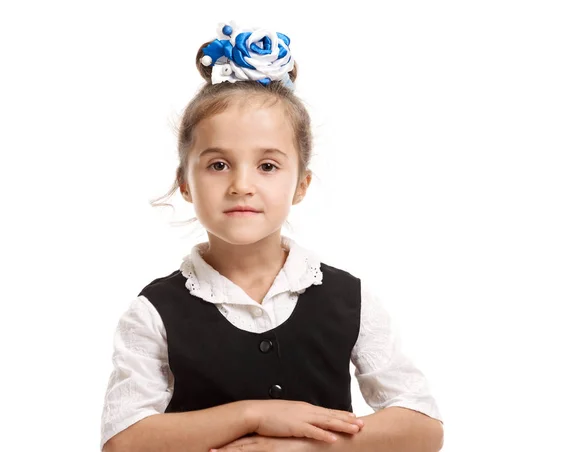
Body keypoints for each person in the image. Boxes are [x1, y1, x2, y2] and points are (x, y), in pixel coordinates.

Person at [100, 21, 444, 452]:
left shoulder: (348, 298)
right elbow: (123, 442)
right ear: (184, 184)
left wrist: (309, 447)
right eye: (218, 165)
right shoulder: (154, 311)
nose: (242, 185)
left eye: (267, 166)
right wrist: (256, 414)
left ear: (301, 184)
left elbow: (423, 427)